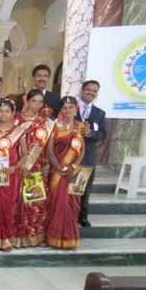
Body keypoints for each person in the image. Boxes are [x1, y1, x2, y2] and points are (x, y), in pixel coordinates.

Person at [0, 100, 30, 251]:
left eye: (7, 111)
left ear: (12, 113)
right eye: (1, 111)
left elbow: (25, 154)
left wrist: (14, 167)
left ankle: (6, 239)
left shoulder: (18, 131)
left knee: (8, 206)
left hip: (11, 174)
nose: (3, 114)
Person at [15, 89, 55, 247]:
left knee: (35, 203)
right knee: (17, 203)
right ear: (27, 101)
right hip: (18, 166)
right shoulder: (16, 119)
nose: (37, 105)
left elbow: (48, 149)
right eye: (34, 101)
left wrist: (47, 164)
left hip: (37, 166)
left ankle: (34, 236)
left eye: (40, 102)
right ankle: (16, 236)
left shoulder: (46, 123)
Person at [46, 96, 85, 248]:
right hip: (57, 172)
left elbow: (82, 151)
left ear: (76, 109)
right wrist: (60, 168)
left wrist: (73, 167)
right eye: (64, 108)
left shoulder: (80, 126)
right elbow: (49, 152)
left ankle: (69, 238)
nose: (67, 110)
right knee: (56, 204)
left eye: (71, 107)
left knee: (72, 206)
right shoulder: (54, 126)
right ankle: (54, 238)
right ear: (60, 110)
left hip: (74, 173)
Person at [75, 80, 106, 227]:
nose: (91, 93)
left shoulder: (99, 113)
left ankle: (83, 217)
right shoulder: (70, 108)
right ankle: (70, 214)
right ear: (81, 91)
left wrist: (91, 133)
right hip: (70, 156)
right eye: (88, 90)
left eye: (94, 91)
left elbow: (102, 134)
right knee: (69, 189)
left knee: (85, 188)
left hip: (87, 157)